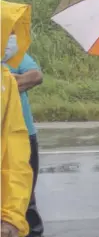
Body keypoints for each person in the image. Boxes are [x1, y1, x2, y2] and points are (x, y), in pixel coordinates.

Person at [3, 34, 44, 237]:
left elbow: (36, 75)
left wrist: (8, 82)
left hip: (24, 135)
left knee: (25, 195)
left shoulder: (12, 53)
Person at [1, 22, 33, 237]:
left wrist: (11, 218)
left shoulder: (5, 81)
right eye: (8, 32)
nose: (11, 38)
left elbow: (15, 156)